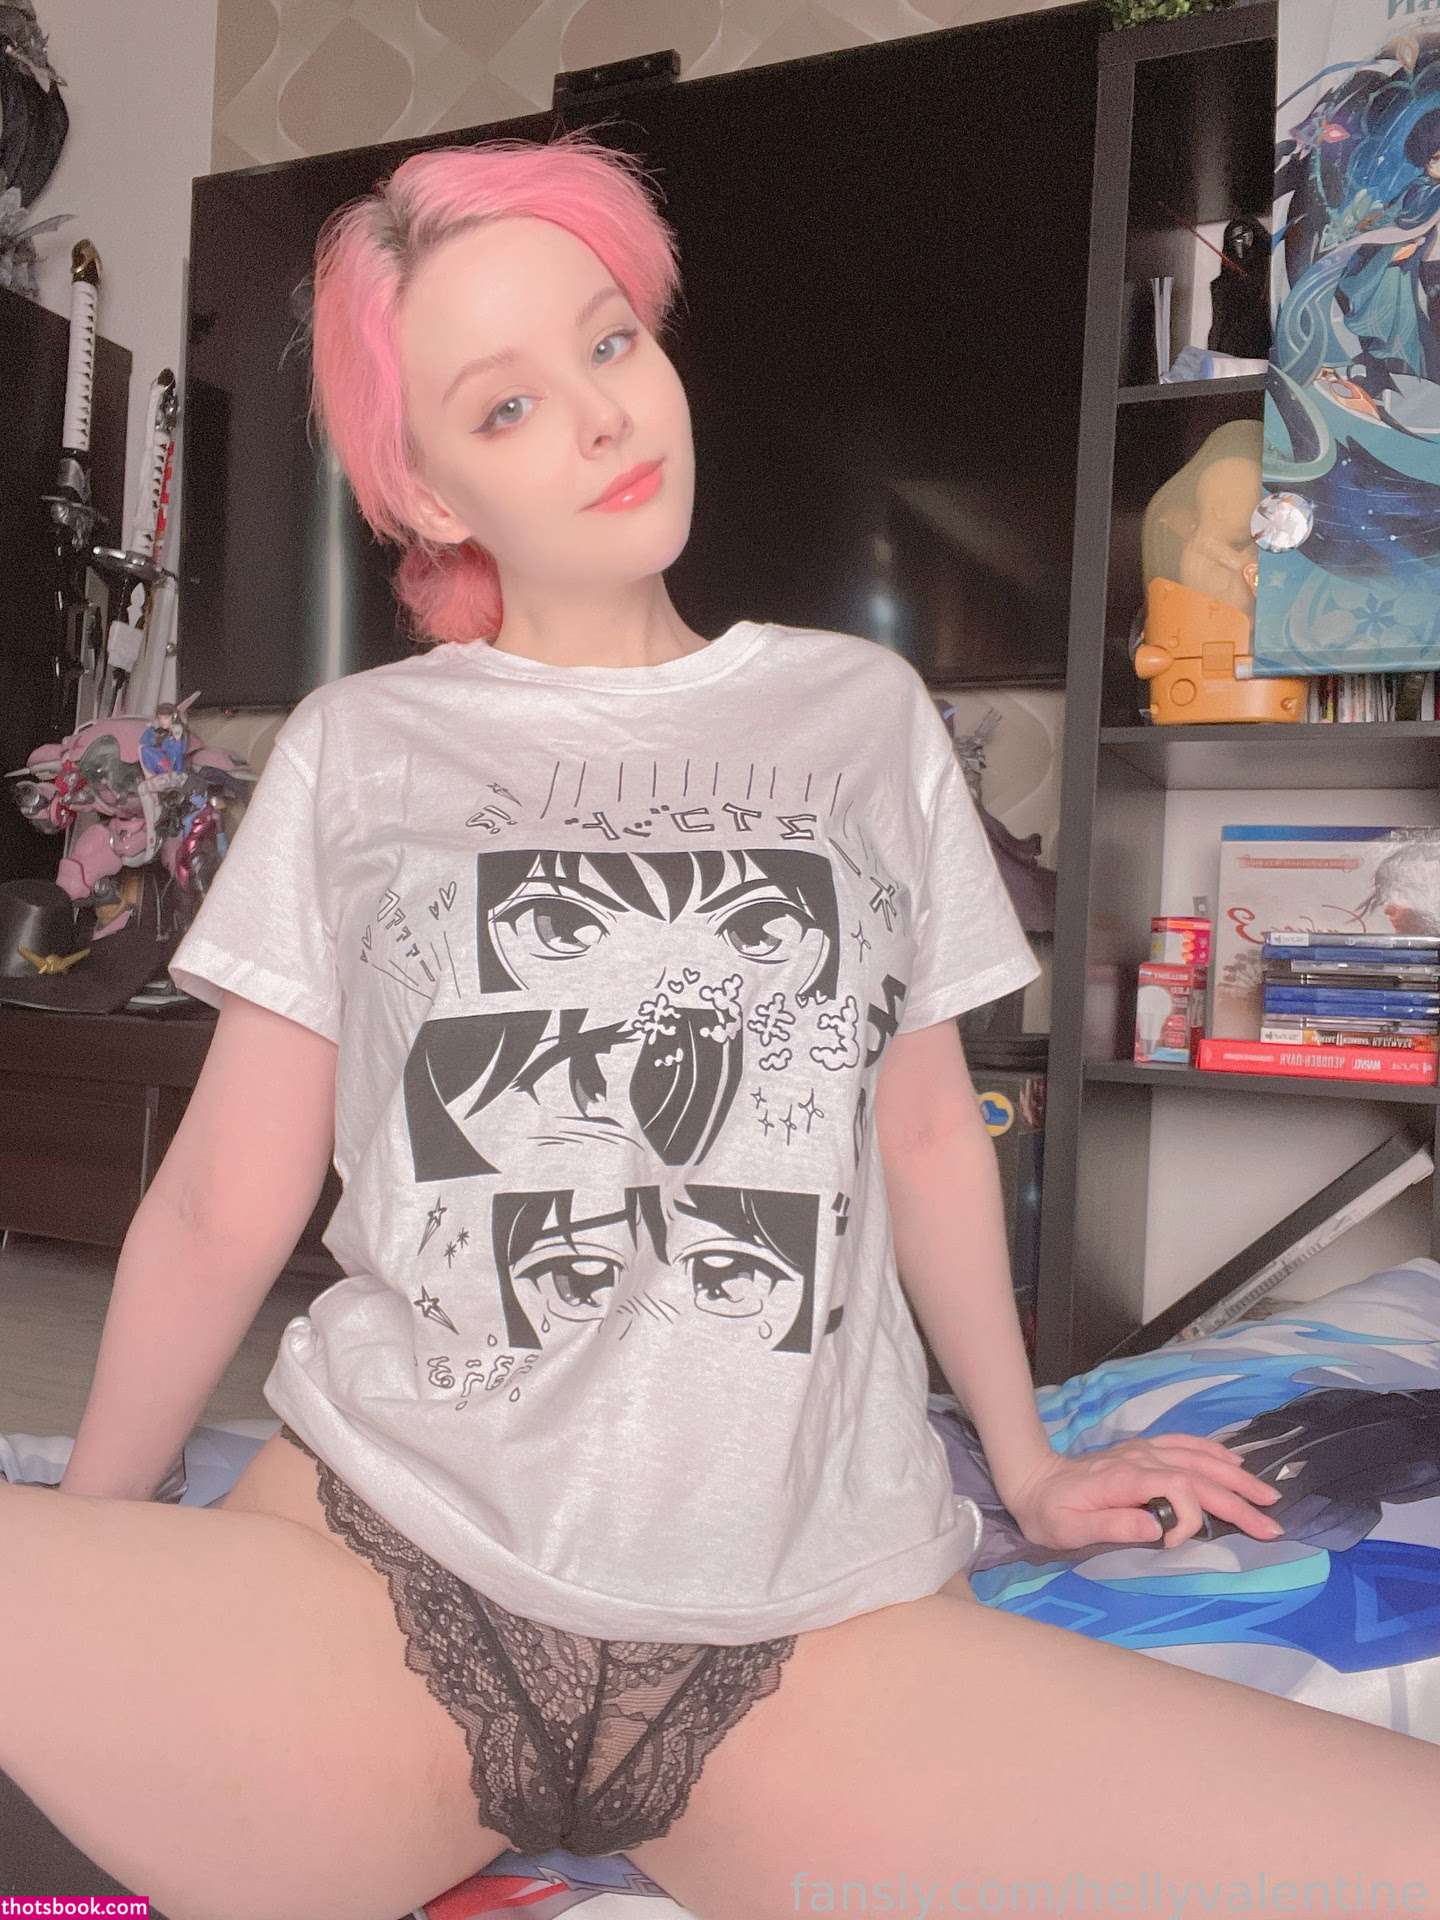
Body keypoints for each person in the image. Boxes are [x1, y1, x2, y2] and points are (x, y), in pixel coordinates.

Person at [5, 129, 1439, 1920]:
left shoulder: (862, 715)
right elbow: (227, 1195)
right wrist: (110, 1542)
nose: (603, 415)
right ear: (431, 492)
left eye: (610, 341)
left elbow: (928, 1133)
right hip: (376, 1567)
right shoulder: (360, 749)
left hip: (812, 1623)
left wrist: (1026, 1466)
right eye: (507, 405)